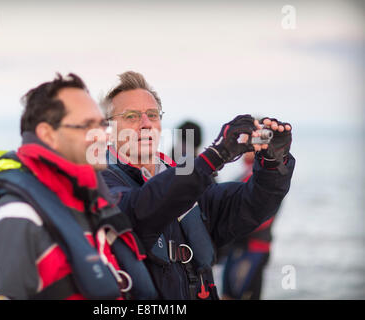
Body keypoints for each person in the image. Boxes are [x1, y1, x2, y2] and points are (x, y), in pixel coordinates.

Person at [100, 71, 295, 300]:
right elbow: (138, 211)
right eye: (131, 116)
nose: (145, 124)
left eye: (152, 115)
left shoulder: (185, 177)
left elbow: (251, 206)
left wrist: (274, 163)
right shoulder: (101, 180)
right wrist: (217, 154)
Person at [0, 73, 157, 300]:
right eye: (86, 125)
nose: (101, 136)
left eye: (101, 124)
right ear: (48, 135)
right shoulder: (16, 219)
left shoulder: (87, 206)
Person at [219, 148, 277, 300]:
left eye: (249, 144)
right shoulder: (249, 175)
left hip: (251, 248)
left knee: (237, 296)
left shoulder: (258, 178)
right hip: (242, 246)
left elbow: (263, 217)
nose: (244, 149)